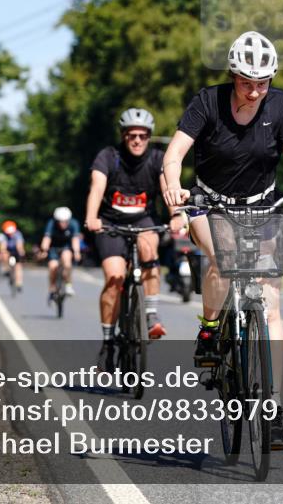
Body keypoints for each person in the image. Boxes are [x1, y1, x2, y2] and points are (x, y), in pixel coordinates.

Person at [162, 30, 283, 450]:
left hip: (262, 205)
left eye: (263, 82)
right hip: (209, 204)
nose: (255, 90)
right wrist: (175, 188)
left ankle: (273, 404)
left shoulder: (282, 105)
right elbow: (174, 154)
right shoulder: (206, 103)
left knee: (270, 302)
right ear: (232, 75)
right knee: (223, 262)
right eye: (248, 81)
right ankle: (211, 329)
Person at [86, 108, 172, 372]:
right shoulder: (108, 157)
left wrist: (177, 215)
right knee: (115, 278)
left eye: (143, 135)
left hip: (143, 221)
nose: (137, 140)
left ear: (149, 137)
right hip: (110, 224)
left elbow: (168, 188)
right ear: (124, 136)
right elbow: (97, 187)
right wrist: (92, 217)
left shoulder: (158, 159)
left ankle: (150, 316)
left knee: (149, 249)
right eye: (132, 135)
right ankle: (109, 340)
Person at [39, 206, 82, 303]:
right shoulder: (51, 224)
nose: (63, 224)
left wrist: (76, 252)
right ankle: (52, 288)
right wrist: (44, 250)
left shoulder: (73, 224)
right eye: (60, 221)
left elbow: (75, 239)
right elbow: (47, 238)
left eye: (65, 221)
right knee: (52, 267)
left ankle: (68, 285)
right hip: (53, 247)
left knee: (67, 263)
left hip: (66, 247)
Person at [0, 220, 26, 291]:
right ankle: (7, 269)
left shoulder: (18, 234)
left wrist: (21, 251)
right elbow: (3, 245)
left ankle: (19, 283)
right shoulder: (4, 236)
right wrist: (3, 251)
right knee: (4, 255)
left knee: (18, 266)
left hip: (16, 251)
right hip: (8, 251)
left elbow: (19, 244)